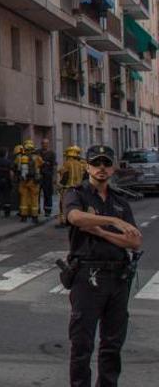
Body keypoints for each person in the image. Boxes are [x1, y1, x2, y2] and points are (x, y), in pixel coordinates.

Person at [62, 145, 142, 387]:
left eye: (106, 164)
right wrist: (113, 222)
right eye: (96, 164)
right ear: (88, 167)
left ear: (113, 168)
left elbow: (134, 241)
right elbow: (75, 218)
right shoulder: (76, 194)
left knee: (112, 344)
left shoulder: (119, 201)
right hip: (88, 275)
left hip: (118, 277)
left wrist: (99, 231)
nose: (102, 169)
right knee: (82, 343)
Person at [56, 145, 87, 228]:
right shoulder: (82, 165)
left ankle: (64, 221)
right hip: (78, 188)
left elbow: (65, 176)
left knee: (63, 205)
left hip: (68, 188)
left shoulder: (67, 163)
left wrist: (60, 185)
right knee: (77, 205)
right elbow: (85, 176)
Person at [14, 139, 44, 223]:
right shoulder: (37, 157)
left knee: (24, 198)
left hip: (23, 180)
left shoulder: (19, 157)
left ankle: (24, 217)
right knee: (34, 198)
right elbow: (42, 164)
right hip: (34, 181)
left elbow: (15, 166)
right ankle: (34, 217)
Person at [39, 138, 57, 217]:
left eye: (46, 143)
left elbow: (54, 165)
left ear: (48, 144)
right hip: (38, 176)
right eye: (43, 143)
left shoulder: (52, 153)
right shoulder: (38, 152)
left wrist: (54, 177)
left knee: (48, 194)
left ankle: (48, 211)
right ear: (41, 144)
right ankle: (37, 210)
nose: (45, 145)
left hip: (48, 176)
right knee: (37, 194)